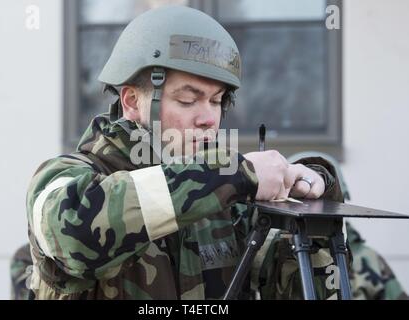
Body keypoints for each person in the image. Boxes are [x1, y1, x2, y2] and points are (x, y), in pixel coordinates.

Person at [25, 5, 344, 300]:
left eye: (217, 101)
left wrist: (312, 208)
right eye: (188, 100)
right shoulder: (64, 178)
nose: (208, 118)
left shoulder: (226, 201)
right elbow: (74, 233)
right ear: (133, 102)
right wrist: (232, 173)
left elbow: (304, 289)